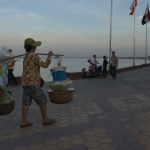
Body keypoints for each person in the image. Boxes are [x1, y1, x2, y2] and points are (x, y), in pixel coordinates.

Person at [20, 38, 55, 127]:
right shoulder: (34, 56)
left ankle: (23, 121)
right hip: (32, 83)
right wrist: (49, 56)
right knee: (42, 99)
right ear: (33, 47)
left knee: (26, 102)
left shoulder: (26, 56)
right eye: (35, 45)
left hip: (25, 83)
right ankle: (45, 119)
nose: (36, 47)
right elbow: (45, 65)